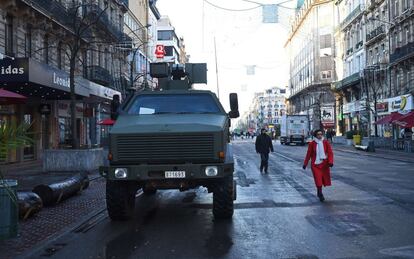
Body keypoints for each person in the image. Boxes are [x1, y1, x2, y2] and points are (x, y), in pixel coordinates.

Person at [302, 129, 334, 202]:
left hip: (324, 165)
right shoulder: (312, 144)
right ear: (315, 135)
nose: (319, 136)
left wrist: (330, 162)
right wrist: (305, 164)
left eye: (321, 134)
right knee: (318, 179)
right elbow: (308, 155)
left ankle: (319, 191)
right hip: (315, 165)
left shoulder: (326, 142)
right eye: (318, 134)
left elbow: (330, 153)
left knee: (324, 179)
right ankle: (320, 193)